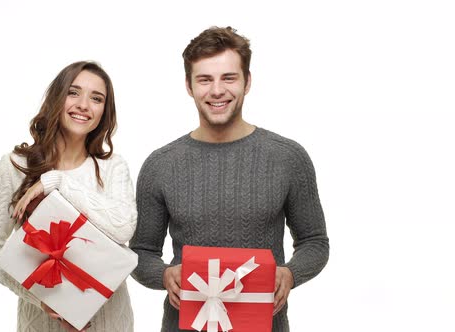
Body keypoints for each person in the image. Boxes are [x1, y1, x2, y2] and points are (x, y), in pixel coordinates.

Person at [129, 27, 329, 331]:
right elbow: (141, 252)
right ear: (189, 85)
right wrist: (164, 275)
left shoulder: (287, 157)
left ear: (247, 82)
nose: (217, 90)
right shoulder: (161, 165)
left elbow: (315, 243)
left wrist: (289, 274)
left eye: (229, 78)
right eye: (205, 79)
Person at [0, 61, 137, 332]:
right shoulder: (16, 166)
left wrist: (57, 182)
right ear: (57, 98)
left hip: (110, 323)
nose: (84, 104)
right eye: (73, 93)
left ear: (104, 112)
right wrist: (38, 297)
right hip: (41, 324)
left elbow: (122, 229)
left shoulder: (113, 167)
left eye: (96, 98)